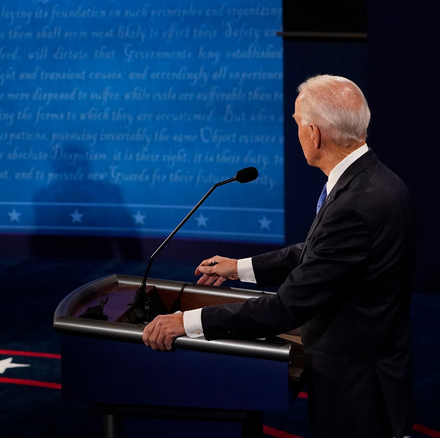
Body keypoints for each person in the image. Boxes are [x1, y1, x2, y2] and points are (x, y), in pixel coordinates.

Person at [142, 75, 416, 438]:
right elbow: (323, 252)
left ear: (315, 133)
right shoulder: (380, 181)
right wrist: (240, 267)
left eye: (297, 124)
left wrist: (187, 323)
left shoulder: (355, 205)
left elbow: (286, 308)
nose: (298, 133)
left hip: (357, 390)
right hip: (373, 368)